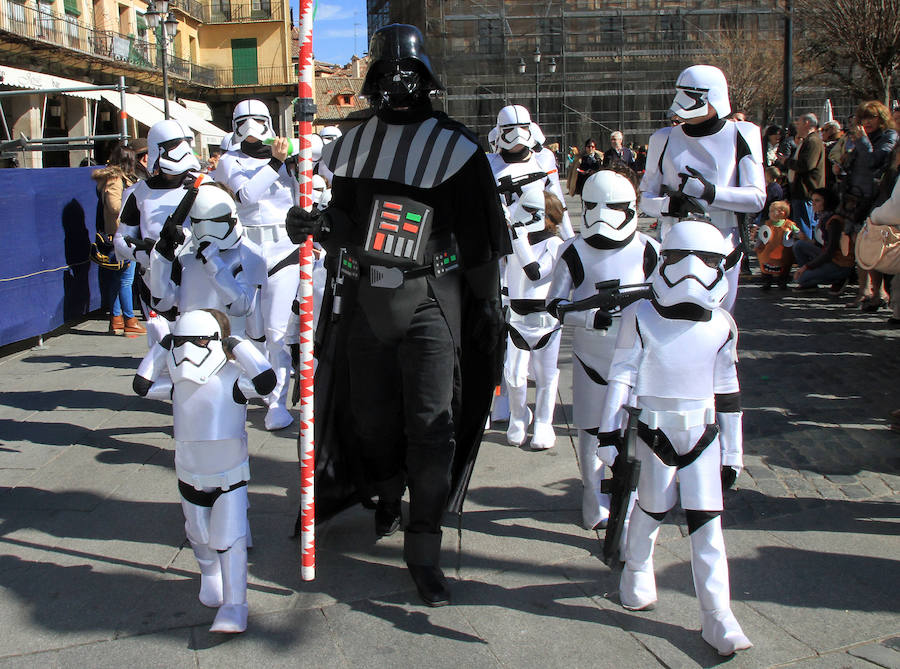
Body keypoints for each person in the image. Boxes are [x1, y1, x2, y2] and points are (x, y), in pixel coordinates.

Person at [285, 23, 507, 607]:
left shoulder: (457, 148)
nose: (395, 84)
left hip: (431, 299)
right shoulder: (354, 145)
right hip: (365, 299)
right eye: (384, 74)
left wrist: (487, 306)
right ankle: (383, 492)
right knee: (370, 419)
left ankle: (424, 548)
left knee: (431, 427)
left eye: (403, 74)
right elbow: (343, 224)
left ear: (427, 79)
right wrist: (311, 225)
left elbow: (482, 240)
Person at [596, 218, 751, 657]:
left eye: (703, 261)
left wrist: (734, 450)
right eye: (679, 259)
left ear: (720, 266)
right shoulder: (641, 314)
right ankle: (638, 567)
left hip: (702, 432)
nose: (690, 271)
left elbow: (729, 391)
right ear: (663, 261)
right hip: (654, 427)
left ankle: (717, 614)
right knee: (652, 508)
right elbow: (622, 374)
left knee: (708, 526)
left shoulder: (722, 325)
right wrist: (609, 433)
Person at [133, 308, 276, 633]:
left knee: (229, 538)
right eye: (182, 341)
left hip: (230, 477)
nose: (189, 349)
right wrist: (163, 345)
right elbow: (142, 385)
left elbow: (267, 381)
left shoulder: (234, 381)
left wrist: (237, 345)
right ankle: (210, 575)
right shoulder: (177, 387)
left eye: (198, 340)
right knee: (198, 535)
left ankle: (235, 604)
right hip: (189, 475)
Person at [546, 169, 658, 531]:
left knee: (636, 432)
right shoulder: (574, 250)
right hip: (591, 354)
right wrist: (587, 317)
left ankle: (634, 497)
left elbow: (663, 300)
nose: (603, 215)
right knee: (590, 430)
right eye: (594, 206)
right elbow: (555, 304)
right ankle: (593, 498)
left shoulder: (649, 249)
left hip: (637, 358)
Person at [640, 64, 765, 312]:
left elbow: (757, 197)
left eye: (691, 94)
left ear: (713, 95)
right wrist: (669, 205)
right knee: (668, 315)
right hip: (674, 241)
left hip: (722, 243)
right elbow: (644, 197)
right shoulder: (663, 139)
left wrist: (710, 192)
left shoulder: (741, 134)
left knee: (717, 321)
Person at [214, 99, 298, 431]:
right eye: (243, 120)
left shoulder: (287, 156)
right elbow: (247, 195)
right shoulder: (228, 161)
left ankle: (276, 401)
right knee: (250, 331)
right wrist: (277, 163)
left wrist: (297, 156)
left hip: (285, 248)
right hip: (246, 248)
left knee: (278, 331)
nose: (250, 126)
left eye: (257, 119)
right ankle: (255, 385)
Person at [113, 120, 209, 344]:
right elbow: (120, 239)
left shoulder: (205, 186)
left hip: (197, 274)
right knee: (162, 345)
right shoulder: (139, 192)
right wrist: (143, 251)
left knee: (198, 344)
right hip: (154, 277)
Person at [149, 182, 266, 335]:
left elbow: (241, 307)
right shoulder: (185, 249)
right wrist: (161, 260)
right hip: (186, 335)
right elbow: (163, 303)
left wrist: (213, 262)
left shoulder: (248, 252)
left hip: (231, 340)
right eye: (199, 220)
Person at [503, 189, 565, 450]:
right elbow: (508, 274)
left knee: (545, 377)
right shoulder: (516, 241)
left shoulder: (555, 245)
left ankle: (543, 422)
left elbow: (535, 273)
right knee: (514, 376)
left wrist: (518, 238)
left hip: (546, 322)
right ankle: (518, 418)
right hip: (516, 318)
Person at [841, 101, 898, 311]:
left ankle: (877, 292)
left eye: (871, 117)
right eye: (864, 118)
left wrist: (863, 141)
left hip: (875, 199)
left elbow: (875, 160)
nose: (867, 122)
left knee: (871, 245)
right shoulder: (861, 137)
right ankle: (865, 291)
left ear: (881, 118)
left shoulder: (888, 136)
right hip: (856, 197)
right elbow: (855, 162)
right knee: (859, 245)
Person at [487, 104, 575, 239]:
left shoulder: (543, 159)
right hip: (506, 239)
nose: (517, 134)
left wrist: (570, 240)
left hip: (540, 236)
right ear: (500, 131)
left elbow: (558, 204)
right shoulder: (489, 162)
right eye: (510, 129)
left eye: (523, 127)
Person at [92, 142, 145, 336]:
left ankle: (116, 320)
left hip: (121, 233)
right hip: (121, 234)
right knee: (125, 279)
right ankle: (129, 319)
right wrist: (135, 206)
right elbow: (114, 206)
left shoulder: (119, 178)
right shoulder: (115, 179)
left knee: (118, 278)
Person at [792, 192, 854, 293]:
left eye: (817, 201)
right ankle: (810, 282)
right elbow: (821, 244)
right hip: (830, 257)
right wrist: (806, 239)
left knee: (801, 278)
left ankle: (839, 279)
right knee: (799, 245)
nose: (813, 204)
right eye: (812, 201)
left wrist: (806, 267)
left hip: (839, 263)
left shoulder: (834, 221)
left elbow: (830, 251)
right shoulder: (823, 217)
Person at [777, 112, 825, 240]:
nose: (797, 126)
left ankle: (806, 254)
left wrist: (786, 162)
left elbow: (807, 165)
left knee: (804, 227)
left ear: (807, 123)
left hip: (806, 191)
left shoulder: (813, 141)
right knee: (803, 225)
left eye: (799, 123)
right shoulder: (808, 141)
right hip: (802, 191)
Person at [753, 200, 799, 291]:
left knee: (784, 267)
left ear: (783, 213)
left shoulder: (789, 224)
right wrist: (757, 245)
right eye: (770, 211)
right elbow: (761, 236)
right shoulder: (767, 224)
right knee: (766, 266)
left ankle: (782, 281)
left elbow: (797, 232)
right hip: (768, 251)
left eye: (774, 211)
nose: (771, 214)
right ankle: (767, 281)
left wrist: (797, 236)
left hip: (783, 251)